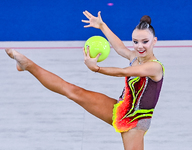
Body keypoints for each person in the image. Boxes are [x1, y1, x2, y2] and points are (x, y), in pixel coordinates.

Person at [5, 10, 164, 150]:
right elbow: (121, 48)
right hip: (120, 108)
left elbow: (123, 71)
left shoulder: (154, 67)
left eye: (145, 41)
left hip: (135, 122)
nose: (139, 46)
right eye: (135, 42)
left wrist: (97, 69)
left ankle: (26, 66)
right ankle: (27, 65)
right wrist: (102, 26)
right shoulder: (136, 57)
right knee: (73, 91)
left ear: (154, 41)